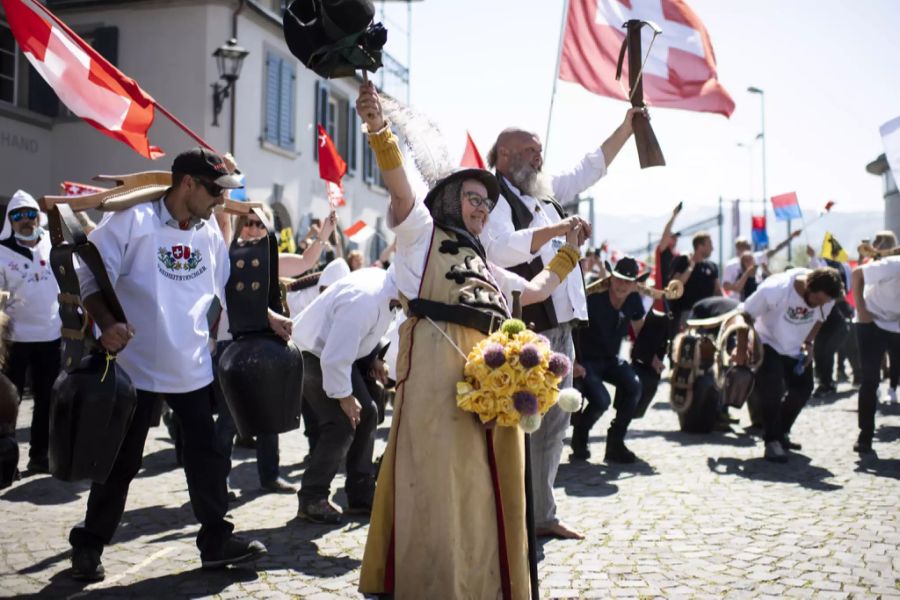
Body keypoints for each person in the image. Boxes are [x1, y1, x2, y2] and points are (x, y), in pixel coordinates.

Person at [355, 81, 583, 599]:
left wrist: (569, 252)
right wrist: (378, 130)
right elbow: (399, 188)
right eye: (473, 198)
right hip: (435, 384)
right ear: (449, 202)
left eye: (486, 202)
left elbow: (542, 287)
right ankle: (434, 582)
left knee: (481, 491)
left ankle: (478, 581)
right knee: (439, 486)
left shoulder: (487, 263)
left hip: (487, 392)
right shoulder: (421, 235)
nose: (482, 208)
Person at [67, 148, 285, 581]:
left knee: (208, 456)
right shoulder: (134, 221)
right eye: (213, 191)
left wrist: (266, 314)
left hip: (191, 366)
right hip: (137, 365)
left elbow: (224, 290)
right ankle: (89, 544)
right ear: (187, 183)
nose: (220, 202)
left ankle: (216, 541)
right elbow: (88, 274)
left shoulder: (206, 233)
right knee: (121, 462)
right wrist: (107, 323)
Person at [480, 106, 644, 541]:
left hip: (563, 328)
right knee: (522, 423)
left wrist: (626, 129)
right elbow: (499, 250)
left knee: (553, 425)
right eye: (531, 152)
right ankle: (511, 512)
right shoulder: (493, 198)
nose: (539, 159)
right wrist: (556, 234)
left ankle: (541, 513)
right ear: (504, 156)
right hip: (528, 328)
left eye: (539, 151)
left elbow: (589, 168)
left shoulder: (545, 193)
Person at [213, 207, 335, 494]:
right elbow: (221, 219)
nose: (254, 229)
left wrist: (326, 233)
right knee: (229, 418)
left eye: (260, 224)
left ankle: (269, 476)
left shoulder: (270, 261)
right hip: (231, 344)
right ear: (240, 225)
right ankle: (217, 482)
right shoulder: (228, 257)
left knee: (267, 413)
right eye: (249, 223)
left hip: (264, 345)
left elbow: (306, 261)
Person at [292, 267, 397, 523]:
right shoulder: (365, 299)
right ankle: (312, 498)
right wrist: (345, 397)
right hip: (312, 354)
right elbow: (334, 357)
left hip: (332, 354)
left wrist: (374, 358)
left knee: (368, 412)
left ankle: (360, 495)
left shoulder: (387, 291)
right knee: (341, 423)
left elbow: (364, 335)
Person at [735, 267, 843, 463]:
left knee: (804, 388)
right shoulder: (776, 289)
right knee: (772, 388)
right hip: (767, 341)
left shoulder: (827, 298)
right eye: (819, 300)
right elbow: (744, 314)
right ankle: (771, 442)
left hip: (795, 348)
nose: (822, 304)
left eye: (825, 301)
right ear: (809, 287)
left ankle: (781, 431)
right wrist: (742, 348)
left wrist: (809, 343)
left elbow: (820, 318)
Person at [0, 190, 62, 474]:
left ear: (38, 218)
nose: (25, 221)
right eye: (17, 216)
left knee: (47, 398)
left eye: (30, 215)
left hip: (51, 335)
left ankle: (40, 456)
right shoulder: (2, 252)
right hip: (14, 338)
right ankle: (6, 460)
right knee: (8, 401)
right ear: (10, 221)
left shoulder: (53, 243)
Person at [571, 257, 654, 464]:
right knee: (602, 401)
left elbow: (640, 331)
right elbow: (571, 329)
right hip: (587, 361)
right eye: (619, 279)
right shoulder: (593, 298)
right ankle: (580, 436)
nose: (622, 285)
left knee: (634, 385)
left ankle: (615, 443)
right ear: (611, 277)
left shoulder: (634, 300)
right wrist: (573, 363)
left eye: (628, 281)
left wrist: (652, 357)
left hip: (611, 360)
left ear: (635, 284)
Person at [851, 255, 900, 454]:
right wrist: (861, 309)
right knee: (870, 380)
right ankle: (865, 435)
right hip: (872, 321)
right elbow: (857, 274)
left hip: (897, 324)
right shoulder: (893, 265)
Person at [721, 231, 800, 299]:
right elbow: (726, 286)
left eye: (748, 245)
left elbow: (775, 249)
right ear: (737, 247)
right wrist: (741, 286)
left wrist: (790, 237)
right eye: (743, 245)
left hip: (758, 298)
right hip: (739, 301)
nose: (747, 247)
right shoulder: (731, 264)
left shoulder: (756, 257)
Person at [668, 232, 722, 329]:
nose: (712, 248)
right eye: (709, 245)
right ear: (700, 246)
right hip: (687, 313)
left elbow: (718, 291)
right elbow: (676, 286)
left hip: (708, 314)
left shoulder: (712, 266)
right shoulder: (684, 261)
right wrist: (690, 267)